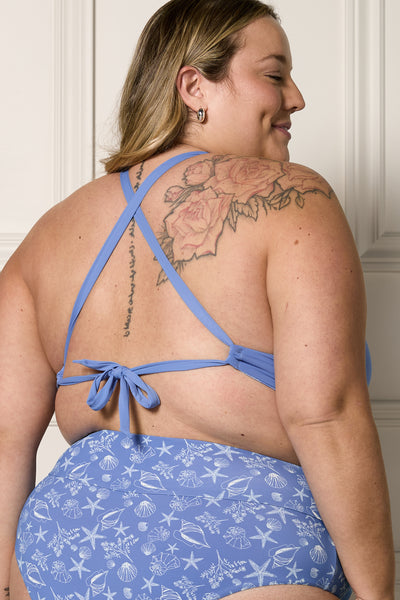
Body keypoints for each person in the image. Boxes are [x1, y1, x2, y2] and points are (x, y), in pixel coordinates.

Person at [1, 0, 394, 599]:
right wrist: (378, 593)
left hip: (61, 556)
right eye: (274, 74)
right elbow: (326, 412)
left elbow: (6, 438)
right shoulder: (294, 200)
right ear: (193, 87)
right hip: (252, 555)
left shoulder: (48, 235)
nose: (296, 98)